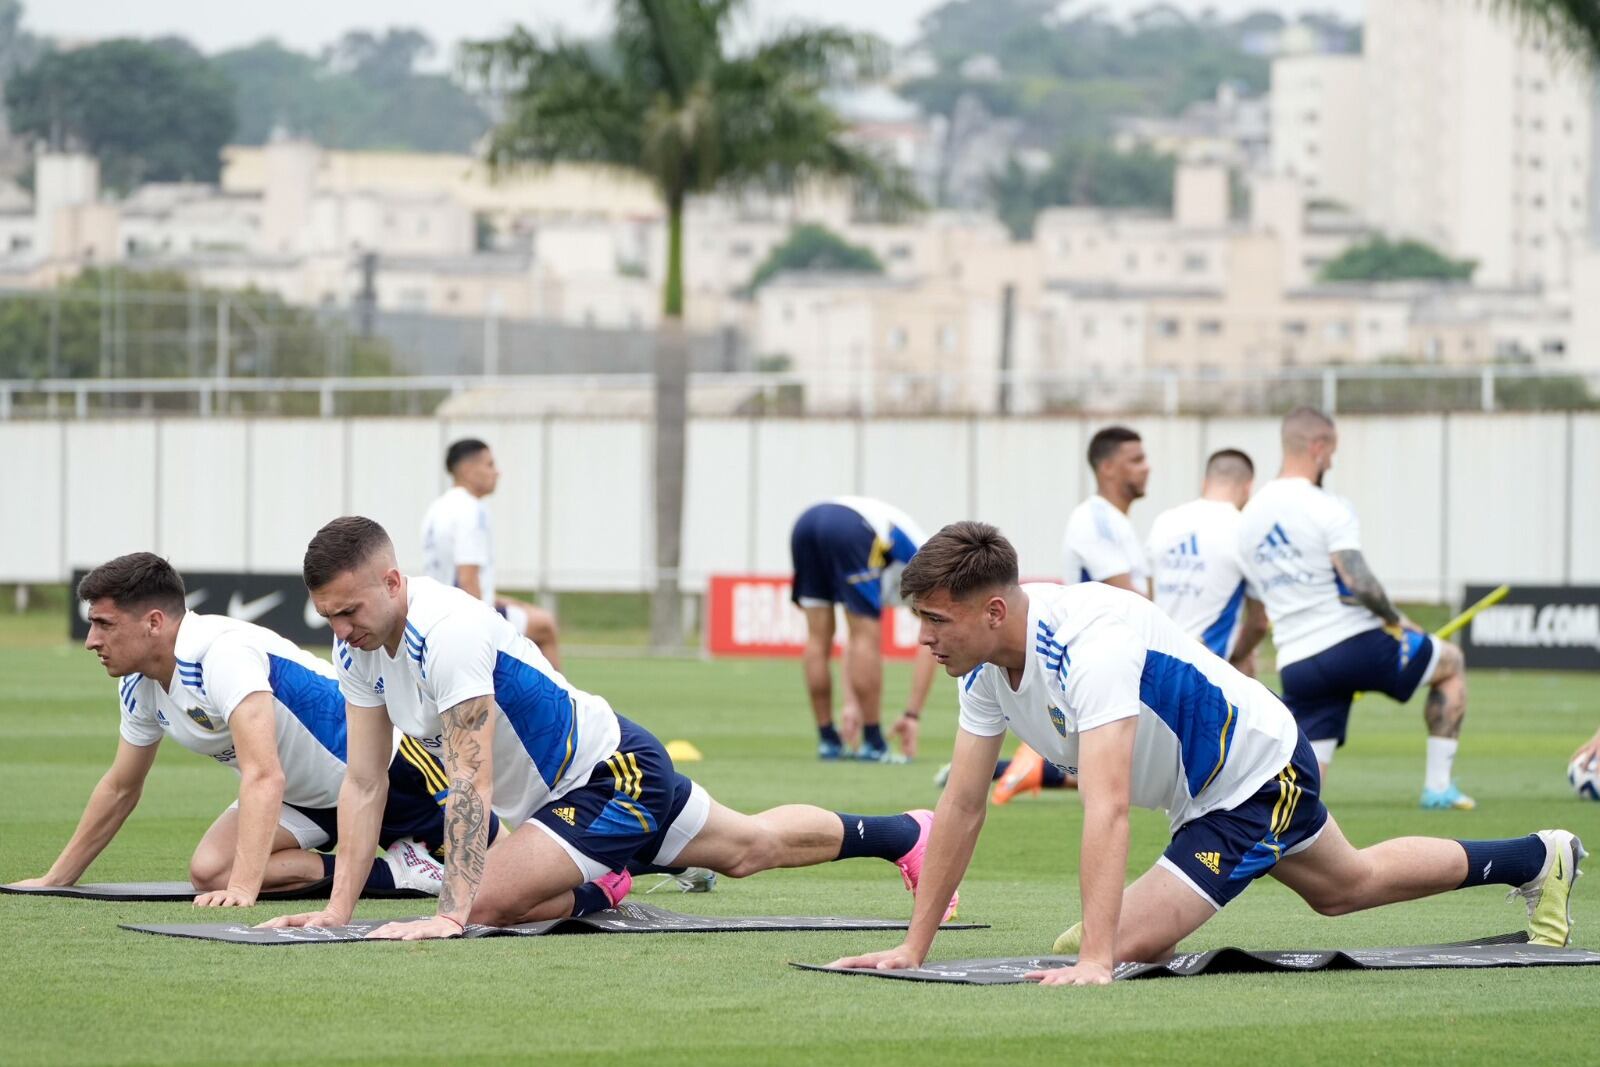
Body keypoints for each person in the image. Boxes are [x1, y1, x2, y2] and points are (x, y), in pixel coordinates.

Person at [830, 522, 1584, 987]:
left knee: (1116, 940)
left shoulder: (1090, 646)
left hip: (1257, 773)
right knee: (1346, 886)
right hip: (1207, 789)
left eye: (935, 620)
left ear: (993, 610)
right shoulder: (982, 665)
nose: (924, 638)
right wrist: (914, 947)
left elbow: (1107, 806)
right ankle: (1539, 855)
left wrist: (1098, 961)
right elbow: (962, 804)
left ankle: (1108, 939)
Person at [264, 517, 959, 939]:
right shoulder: (355, 649)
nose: (340, 629)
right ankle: (906, 832)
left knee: (484, 898)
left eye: (350, 610)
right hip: (572, 793)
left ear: (392, 582)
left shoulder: (446, 631)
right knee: (750, 847)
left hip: (609, 776)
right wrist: (337, 911)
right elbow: (364, 781)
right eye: (328, 616)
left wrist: (450, 913)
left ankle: (601, 882)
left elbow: (470, 780)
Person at [14, 553, 451, 904]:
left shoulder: (220, 654)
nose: (91, 640)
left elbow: (264, 774)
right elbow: (120, 788)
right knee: (210, 872)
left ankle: (421, 856)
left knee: (482, 873)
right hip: (305, 798)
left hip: (393, 774)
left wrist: (244, 888)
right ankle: (398, 872)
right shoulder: (137, 684)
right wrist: (57, 878)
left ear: (154, 622)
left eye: (104, 624)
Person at [1237, 407, 1474, 809]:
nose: (1331, 462)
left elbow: (1256, 601)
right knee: (1450, 663)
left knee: (1309, 780)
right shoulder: (1327, 505)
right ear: (1317, 447)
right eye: (1331, 452)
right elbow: (1357, 580)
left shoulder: (1248, 518)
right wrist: (1397, 621)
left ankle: (1272, 824)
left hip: (1297, 662)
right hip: (1353, 645)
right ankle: (1438, 788)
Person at [789, 496, 937, 761]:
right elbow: (935, 640)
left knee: (817, 639)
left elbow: (853, 643)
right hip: (852, 527)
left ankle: (828, 741)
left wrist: (851, 703)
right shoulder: (932, 571)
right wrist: (912, 715)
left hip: (806, 523)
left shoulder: (912, 560)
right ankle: (874, 743)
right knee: (866, 636)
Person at [421, 438, 561, 669]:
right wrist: (480, 634)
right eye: (490, 465)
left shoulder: (437, 508)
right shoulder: (470, 509)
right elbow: (467, 578)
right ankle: (557, 692)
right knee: (545, 626)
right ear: (468, 470)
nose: (497, 472)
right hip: (462, 619)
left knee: (534, 617)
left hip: (437, 613)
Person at [1146, 448, 1269, 675]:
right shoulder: (1244, 530)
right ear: (1248, 487)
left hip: (1154, 662)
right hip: (1204, 671)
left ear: (1205, 483)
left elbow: (1151, 597)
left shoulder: (1164, 522)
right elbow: (1259, 623)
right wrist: (1238, 656)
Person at [1061, 425, 1152, 596]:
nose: (1146, 468)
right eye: (1136, 461)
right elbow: (1126, 598)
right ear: (1107, 468)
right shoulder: (1094, 519)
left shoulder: (1114, 519)